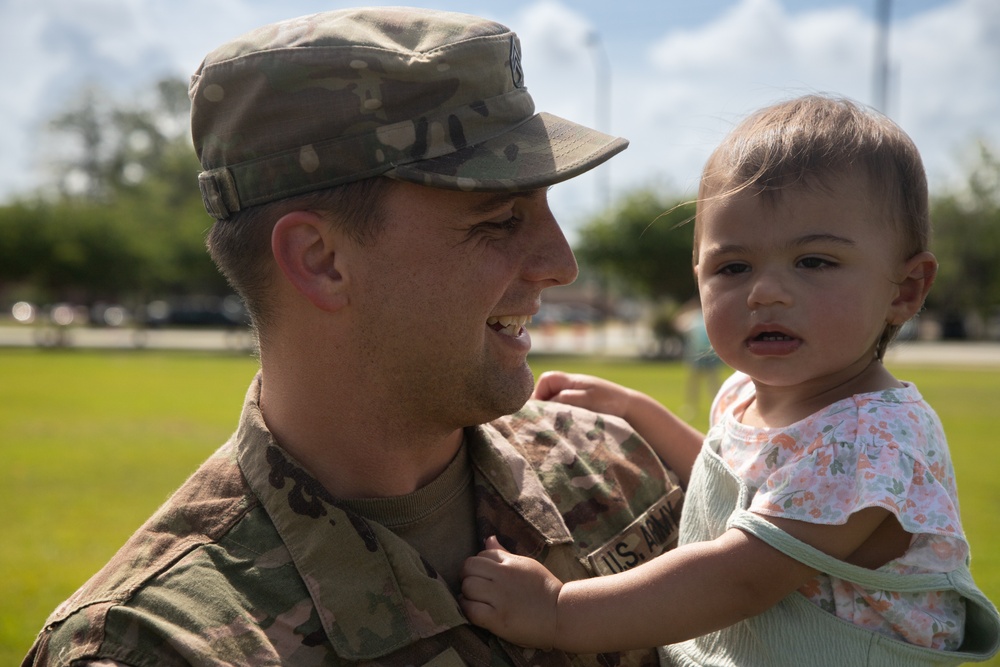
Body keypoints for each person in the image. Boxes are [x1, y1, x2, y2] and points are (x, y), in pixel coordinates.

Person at [23, 8, 683, 667]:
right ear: (321, 260)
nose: (561, 263)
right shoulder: (161, 643)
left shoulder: (617, 464)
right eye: (501, 218)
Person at [460, 95, 1000, 666]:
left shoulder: (870, 441)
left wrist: (558, 611)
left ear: (906, 289)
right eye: (732, 267)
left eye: (814, 262)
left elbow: (736, 579)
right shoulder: (748, 394)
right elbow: (737, 498)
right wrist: (638, 409)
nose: (765, 292)